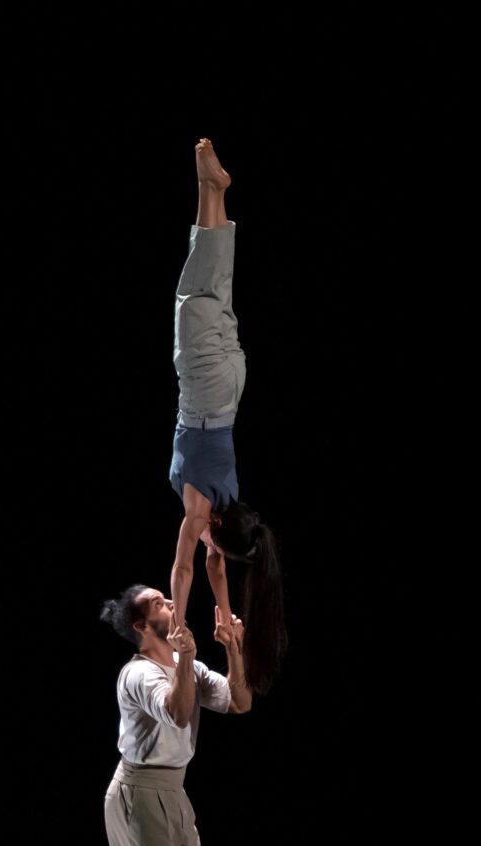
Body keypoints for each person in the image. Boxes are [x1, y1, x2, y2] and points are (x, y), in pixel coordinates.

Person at [166, 138, 286, 692]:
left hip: (232, 389)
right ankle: (211, 187)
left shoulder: (230, 513)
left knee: (212, 288)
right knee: (194, 295)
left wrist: (226, 617)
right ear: (215, 526)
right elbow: (187, 568)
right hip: (206, 391)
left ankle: (208, 188)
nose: (211, 550)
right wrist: (179, 626)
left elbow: (214, 566)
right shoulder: (199, 510)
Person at [99, 585, 249, 846]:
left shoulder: (187, 664)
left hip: (173, 788)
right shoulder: (136, 673)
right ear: (142, 626)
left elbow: (240, 702)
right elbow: (178, 713)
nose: (169, 601)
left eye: (168, 597)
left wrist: (233, 648)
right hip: (139, 789)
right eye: (157, 603)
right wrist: (189, 661)